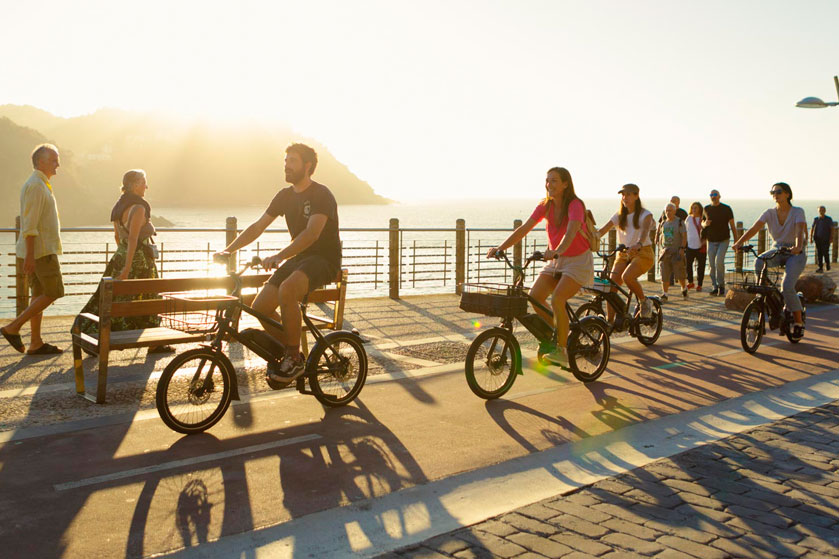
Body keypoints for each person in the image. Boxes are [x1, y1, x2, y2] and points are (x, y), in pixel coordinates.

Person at [214, 143, 341, 382]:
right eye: (285, 161)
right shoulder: (284, 196)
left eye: (292, 161)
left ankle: (293, 359)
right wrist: (228, 250)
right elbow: (257, 227)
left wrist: (280, 256)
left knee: (288, 290)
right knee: (260, 307)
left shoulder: (321, 194)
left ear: (308, 166)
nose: (287, 166)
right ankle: (294, 350)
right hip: (300, 259)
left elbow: (312, 234)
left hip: (324, 259)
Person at [486, 167, 594, 368]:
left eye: (554, 181)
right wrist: (501, 248)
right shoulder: (545, 206)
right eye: (547, 180)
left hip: (577, 260)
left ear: (565, 184)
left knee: (558, 298)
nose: (549, 185)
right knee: (535, 296)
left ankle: (562, 351)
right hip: (557, 260)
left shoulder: (575, 205)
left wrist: (557, 250)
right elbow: (524, 228)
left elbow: (571, 232)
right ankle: (560, 331)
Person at [72, 170, 172, 353]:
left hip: (120, 255)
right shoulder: (139, 207)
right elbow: (134, 238)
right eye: (143, 182)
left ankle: (92, 333)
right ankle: (154, 342)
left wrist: (123, 258)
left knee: (110, 298)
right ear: (134, 185)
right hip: (139, 260)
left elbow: (118, 237)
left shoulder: (119, 206)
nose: (146, 187)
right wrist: (128, 267)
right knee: (149, 297)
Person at [1, 145, 65, 355]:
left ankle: (36, 342)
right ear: (41, 162)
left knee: (38, 295)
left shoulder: (41, 184)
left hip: (39, 250)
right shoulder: (36, 186)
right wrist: (30, 256)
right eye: (54, 160)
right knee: (54, 291)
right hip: (41, 252)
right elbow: (29, 224)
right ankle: (14, 327)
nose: (58, 164)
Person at [733, 182, 807, 340]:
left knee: (787, 286)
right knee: (759, 262)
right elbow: (754, 228)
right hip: (778, 248)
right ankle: (769, 298)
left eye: (778, 191)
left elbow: (799, 230)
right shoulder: (769, 213)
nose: (775, 194)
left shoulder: (798, 212)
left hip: (795, 252)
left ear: (787, 194)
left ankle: (799, 323)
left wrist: (798, 246)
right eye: (772, 192)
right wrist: (739, 243)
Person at [597, 183, 655, 321]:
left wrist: (639, 244)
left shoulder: (645, 214)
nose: (625, 197)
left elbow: (645, 231)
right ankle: (609, 322)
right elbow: (602, 230)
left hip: (643, 252)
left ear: (636, 196)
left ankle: (644, 301)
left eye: (628, 194)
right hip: (623, 253)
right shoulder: (619, 215)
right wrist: (589, 239)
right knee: (611, 288)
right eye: (623, 195)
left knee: (627, 277)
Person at [703, 189, 738, 296]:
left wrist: (737, 241)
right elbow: (702, 223)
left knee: (719, 261)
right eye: (711, 195)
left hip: (724, 239)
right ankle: (715, 286)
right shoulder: (706, 208)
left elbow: (732, 225)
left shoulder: (726, 209)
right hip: (711, 240)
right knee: (712, 265)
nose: (713, 196)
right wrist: (705, 224)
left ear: (719, 196)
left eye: (715, 195)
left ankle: (721, 286)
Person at [657, 203, 688, 300]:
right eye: (666, 210)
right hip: (665, 252)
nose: (668, 212)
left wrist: (682, 248)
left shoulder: (679, 222)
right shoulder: (663, 223)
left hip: (677, 252)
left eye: (670, 210)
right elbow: (661, 236)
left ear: (674, 211)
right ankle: (665, 294)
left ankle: (684, 288)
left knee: (680, 274)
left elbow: (684, 236)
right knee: (664, 274)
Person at [685, 201, 707, 292]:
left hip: (701, 246)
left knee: (701, 266)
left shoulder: (703, 219)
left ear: (700, 209)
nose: (694, 209)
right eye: (692, 208)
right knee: (688, 265)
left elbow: (707, 231)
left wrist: (704, 241)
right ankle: (690, 282)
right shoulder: (689, 218)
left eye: (696, 208)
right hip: (690, 246)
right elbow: (685, 231)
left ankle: (700, 284)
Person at [810, 206, 833, 273]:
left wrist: (831, 237)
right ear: (818, 211)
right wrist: (810, 238)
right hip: (818, 239)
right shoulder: (816, 219)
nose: (821, 211)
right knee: (819, 253)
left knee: (826, 252)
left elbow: (832, 229)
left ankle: (827, 265)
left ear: (825, 211)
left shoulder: (828, 219)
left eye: (822, 210)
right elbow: (812, 228)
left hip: (826, 239)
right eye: (820, 210)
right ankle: (820, 267)